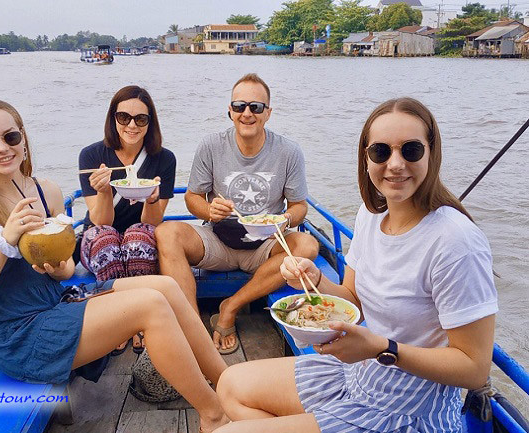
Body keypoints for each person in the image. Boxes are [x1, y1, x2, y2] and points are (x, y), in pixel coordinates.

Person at [0, 99, 229, 432]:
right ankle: (214, 414)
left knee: (165, 287)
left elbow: (64, 269)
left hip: (56, 303)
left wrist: (59, 268)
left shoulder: (44, 190)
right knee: (150, 306)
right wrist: (3, 243)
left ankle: (228, 383)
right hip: (18, 334)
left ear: (23, 139)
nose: (3, 148)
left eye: (11, 137)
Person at [213, 97, 498, 432]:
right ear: (366, 158)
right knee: (230, 385)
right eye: (380, 151)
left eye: (411, 150)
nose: (394, 163)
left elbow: (474, 367)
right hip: (360, 373)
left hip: (410, 409)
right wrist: (315, 278)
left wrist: (383, 347)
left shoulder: (455, 241)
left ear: (431, 154)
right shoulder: (371, 215)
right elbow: (353, 300)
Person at [156, 73, 319, 354]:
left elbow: (299, 206)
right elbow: (193, 196)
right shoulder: (211, 145)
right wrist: (209, 209)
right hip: (218, 239)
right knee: (166, 232)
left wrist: (284, 219)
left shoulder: (289, 151)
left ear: (268, 113)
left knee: (307, 244)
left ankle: (230, 307)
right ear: (229, 111)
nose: (247, 113)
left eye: (256, 107)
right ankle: (193, 328)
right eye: (240, 106)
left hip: (266, 244)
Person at [78, 85, 176, 355]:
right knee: (105, 239)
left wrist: (153, 199)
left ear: (150, 123)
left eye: (141, 119)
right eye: (124, 117)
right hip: (99, 236)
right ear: (113, 119)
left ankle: (137, 319)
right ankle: (116, 321)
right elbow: (100, 222)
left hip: (140, 237)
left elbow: (152, 223)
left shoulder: (164, 159)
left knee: (138, 236)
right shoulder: (92, 156)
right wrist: (103, 191)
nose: (132, 125)